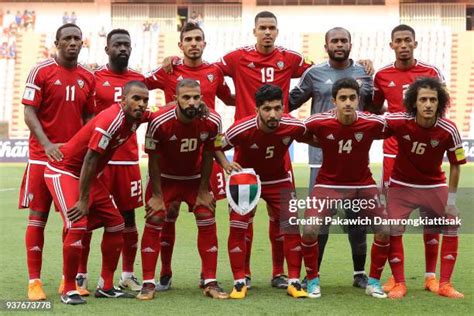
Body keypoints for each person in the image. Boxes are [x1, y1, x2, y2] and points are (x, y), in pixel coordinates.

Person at [145, 22, 234, 291]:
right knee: (165, 213)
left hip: (202, 154)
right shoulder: (167, 70)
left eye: (199, 39)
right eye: (189, 39)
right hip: (170, 158)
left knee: (207, 214)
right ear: (180, 45)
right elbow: (135, 83)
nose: (194, 43)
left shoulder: (215, 71)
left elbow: (230, 99)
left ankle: (208, 278)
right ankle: (164, 274)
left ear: (204, 44)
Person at [44, 80, 148, 304]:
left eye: (145, 100)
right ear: (123, 100)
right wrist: (83, 200)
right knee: (78, 222)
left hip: (85, 175)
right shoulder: (111, 120)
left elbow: (159, 113)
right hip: (64, 171)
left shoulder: (135, 117)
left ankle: (106, 285)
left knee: (116, 223)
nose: (141, 104)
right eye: (136, 99)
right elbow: (90, 159)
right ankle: (69, 289)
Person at [289, 27, 374, 288]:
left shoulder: (364, 73)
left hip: (356, 162)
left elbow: (372, 109)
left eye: (343, 40)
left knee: (357, 221)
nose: (339, 44)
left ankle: (359, 274)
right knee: (320, 223)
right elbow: (288, 104)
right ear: (326, 47)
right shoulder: (313, 74)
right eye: (334, 41)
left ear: (351, 43)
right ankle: (312, 275)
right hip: (321, 160)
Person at [19, 23, 95, 301]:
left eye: (77, 38)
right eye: (67, 39)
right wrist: (47, 144)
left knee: (72, 219)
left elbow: (89, 119)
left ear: (82, 43)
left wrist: (85, 150)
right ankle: (34, 282)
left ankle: (68, 279)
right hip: (42, 157)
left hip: (72, 163)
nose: (73, 43)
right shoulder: (41, 71)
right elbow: (29, 112)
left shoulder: (88, 76)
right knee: (37, 218)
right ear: (57, 43)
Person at [217, 84, 313, 299]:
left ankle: (294, 281)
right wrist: (225, 163)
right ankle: (240, 281)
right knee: (238, 227)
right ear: (257, 109)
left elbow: (312, 137)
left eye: (278, 108)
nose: (273, 114)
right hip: (246, 178)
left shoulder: (293, 125)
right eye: (267, 109)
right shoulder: (241, 128)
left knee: (291, 227)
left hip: (279, 180)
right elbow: (215, 145)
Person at [137, 79, 228, 300]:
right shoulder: (160, 121)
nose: (192, 102)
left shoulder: (212, 120)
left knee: (206, 214)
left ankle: (210, 281)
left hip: (195, 178)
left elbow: (208, 154)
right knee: (156, 217)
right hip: (165, 178)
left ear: (202, 98)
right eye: (186, 97)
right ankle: (149, 282)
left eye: (196, 97)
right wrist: (157, 196)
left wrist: (204, 190)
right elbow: (154, 159)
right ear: (175, 99)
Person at [301, 78, 390, 299]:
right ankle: (312, 280)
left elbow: (397, 127)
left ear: (359, 100)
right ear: (334, 101)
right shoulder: (319, 122)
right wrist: (320, 142)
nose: (348, 103)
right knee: (310, 229)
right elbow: (298, 132)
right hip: (328, 184)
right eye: (343, 98)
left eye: (352, 98)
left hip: (362, 183)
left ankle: (373, 282)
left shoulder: (372, 123)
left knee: (385, 229)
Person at [373, 24, 445, 293]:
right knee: (395, 221)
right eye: (398, 41)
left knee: (432, 218)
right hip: (394, 153)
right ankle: (395, 277)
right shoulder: (382, 75)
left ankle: (430, 276)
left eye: (407, 41)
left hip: (427, 154)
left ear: (415, 43)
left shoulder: (431, 72)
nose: (403, 45)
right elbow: (373, 107)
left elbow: (442, 108)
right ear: (391, 45)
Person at [75, 29, 145, 294]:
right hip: (100, 161)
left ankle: (127, 274)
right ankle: (80, 275)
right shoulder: (94, 77)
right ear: (107, 49)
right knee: (89, 217)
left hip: (128, 161)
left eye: (127, 44)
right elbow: (84, 113)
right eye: (117, 45)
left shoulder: (139, 79)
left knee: (129, 219)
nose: (123, 48)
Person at [384, 77, 465, 299]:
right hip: (401, 185)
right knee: (392, 228)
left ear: (440, 103)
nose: (428, 104)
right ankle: (399, 282)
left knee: (451, 222)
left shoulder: (449, 129)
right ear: (414, 103)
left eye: (433, 100)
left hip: (433, 184)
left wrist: (451, 203)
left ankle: (441, 282)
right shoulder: (400, 122)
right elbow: (374, 124)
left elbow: (457, 166)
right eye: (423, 100)